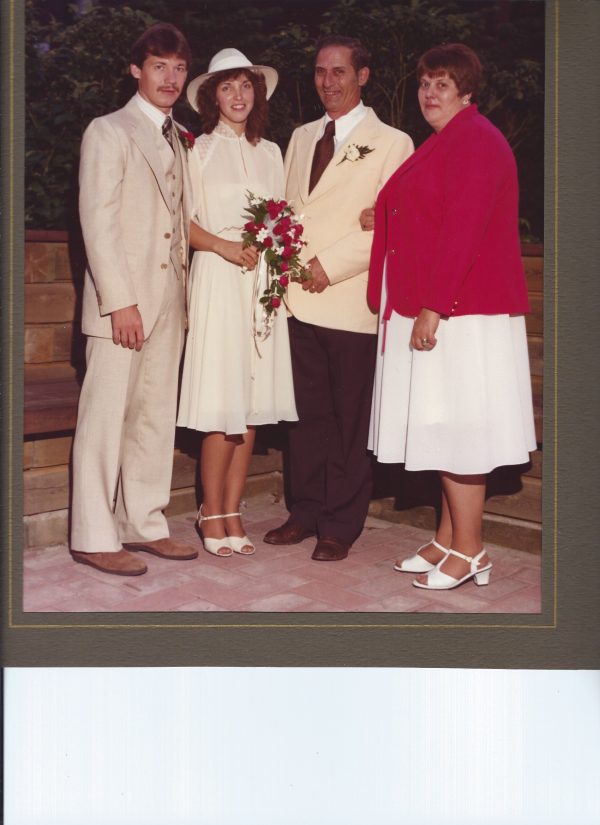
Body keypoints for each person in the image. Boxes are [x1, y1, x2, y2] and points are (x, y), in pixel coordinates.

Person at [366, 43, 537, 590]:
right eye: (424, 83)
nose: (429, 93)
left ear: (467, 91)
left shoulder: (476, 141)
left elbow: (465, 229)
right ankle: (447, 539)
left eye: (442, 84)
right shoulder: (448, 140)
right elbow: (429, 211)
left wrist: (433, 306)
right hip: (444, 304)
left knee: (459, 428)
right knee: (442, 423)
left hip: (462, 311)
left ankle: (471, 550)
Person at [263, 35, 414, 561]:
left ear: (362, 76)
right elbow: (289, 209)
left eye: (339, 72)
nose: (328, 82)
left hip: (350, 301)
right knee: (305, 417)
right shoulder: (301, 136)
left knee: (350, 421)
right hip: (297, 300)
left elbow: (393, 223)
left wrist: (330, 265)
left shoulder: (392, 142)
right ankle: (304, 512)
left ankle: (339, 525)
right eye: (320, 72)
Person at [70, 23, 198, 576]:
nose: (170, 78)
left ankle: (143, 523)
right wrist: (119, 302)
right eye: (158, 66)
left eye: (179, 68)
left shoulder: (180, 135)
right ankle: (92, 535)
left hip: (169, 299)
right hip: (122, 303)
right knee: (104, 418)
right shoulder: (108, 130)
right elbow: (96, 222)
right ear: (135, 70)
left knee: (153, 416)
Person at [177, 49, 297, 557]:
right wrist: (224, 246)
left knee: (250, 402)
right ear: (212, 96)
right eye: (227, 87)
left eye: (246, 85)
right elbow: (181, 222)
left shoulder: (271, 151)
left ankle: (232, 510)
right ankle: (210, 510)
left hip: (261, 285)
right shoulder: (197, 149)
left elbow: (285, 218)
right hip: (218, 276)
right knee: (220, 398)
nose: (238, 95)